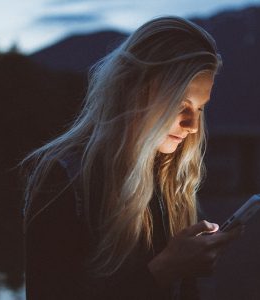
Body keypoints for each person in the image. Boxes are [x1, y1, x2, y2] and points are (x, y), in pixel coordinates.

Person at [20, 16, 244, 300]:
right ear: (135, 90)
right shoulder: (63, 178)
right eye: (180, 104)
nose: (193, 126)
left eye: (200, 109)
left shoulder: (167, 175)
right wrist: (164, 270)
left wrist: (187, 267)